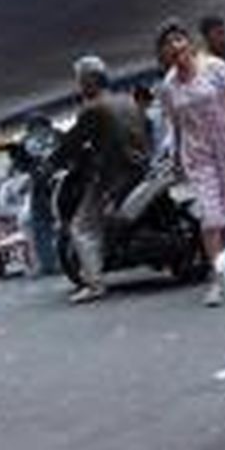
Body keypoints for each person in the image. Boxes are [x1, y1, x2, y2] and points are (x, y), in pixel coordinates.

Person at [157, 20, 225, 307]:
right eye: (168, 45)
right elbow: (174, 126)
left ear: (189, 42)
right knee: (211, 218)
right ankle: (220, 279)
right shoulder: (169, 86)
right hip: (200, 157)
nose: (175, 47)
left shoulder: (215, 67)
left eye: (178, 40)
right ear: (163, 55)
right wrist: (174, 160)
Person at [49, 56, 151, 304]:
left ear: (91, 81)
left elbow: (72, 142)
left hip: (114, 176)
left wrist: (53, 161)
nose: (79, 87)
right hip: (142, 169)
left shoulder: (93, 108)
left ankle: (94, 284)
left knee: (81, 227)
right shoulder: (127, 101)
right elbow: (146, 128)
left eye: (81, 81)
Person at [19, 115, 62, 275]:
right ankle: (70, 258)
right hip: (61, 182)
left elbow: (21, 166)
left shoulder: (25, 141)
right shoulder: (58, 134)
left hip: (41, 187)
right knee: (65, 222)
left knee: (41, 226)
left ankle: (49, 264)